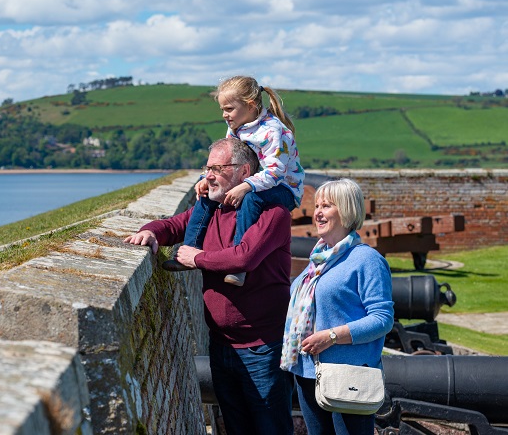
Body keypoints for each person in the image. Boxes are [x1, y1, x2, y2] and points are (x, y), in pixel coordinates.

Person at [125, 137, 294, 435]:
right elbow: (175, 225)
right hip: (221, 343)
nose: (209, 176)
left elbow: (246, 257)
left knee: (271, 428)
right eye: (207, 168)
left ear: (244, 172)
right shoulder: (212, 209)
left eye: (217, 168)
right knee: (236, 427)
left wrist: (198, 258)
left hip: (262, 348)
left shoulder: (273, 213)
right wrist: (149, 232)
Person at [280, 178, 393, 435]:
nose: (317, 213)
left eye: (326, 206)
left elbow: (382, 319)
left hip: (348, 376)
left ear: (346, 210)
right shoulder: (318, 260)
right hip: (308, 372)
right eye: (316, 206)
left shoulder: (366, 260)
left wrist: (332, 336)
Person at [183, 75, 304, 286]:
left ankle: (239, 266)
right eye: (222, 109)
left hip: (285, 187)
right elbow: (226, 158)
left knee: (251, 200)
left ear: (250, 105)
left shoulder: (273, 131)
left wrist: (245, 187)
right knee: (208, 195)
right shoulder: (236, 127)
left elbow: (275, 172)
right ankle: (188, 251)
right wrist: (206, 178)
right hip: (253, 181)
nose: (224, 115)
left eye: (229, 109)